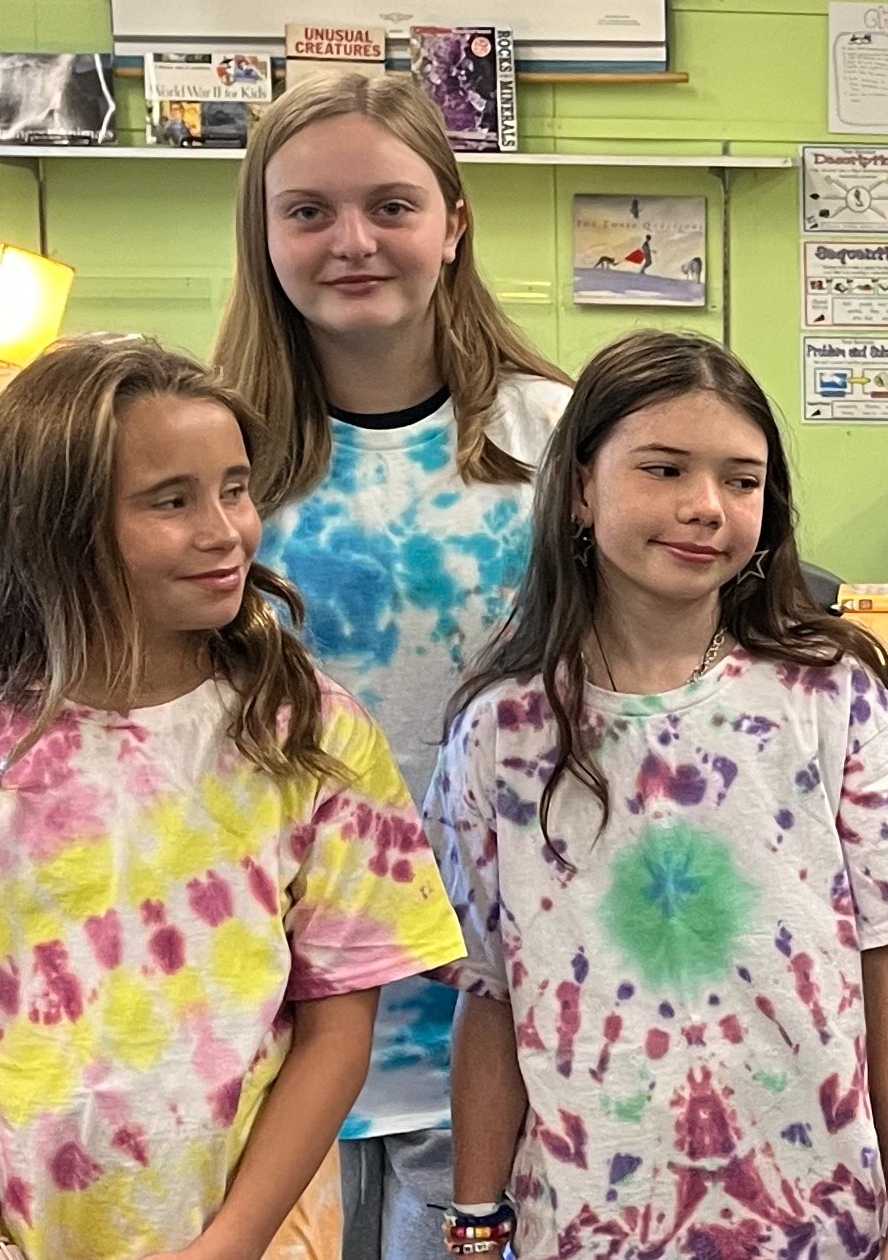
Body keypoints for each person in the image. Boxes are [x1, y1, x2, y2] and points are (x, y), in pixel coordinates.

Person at [0, 334, 467, 1260]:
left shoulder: (308, 734)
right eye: (170, 502)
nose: (224, 530)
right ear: (54, 526)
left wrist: (231, 1244)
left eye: (233, 488)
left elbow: (339, 1030)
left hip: (253, 1236)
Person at [425, 330, 888, 1259]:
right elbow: (491, 993)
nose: (705, 507)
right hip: (586, 1220)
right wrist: (476, 1224)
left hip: (814, 1214)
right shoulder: (501, 731)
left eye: (741, 480)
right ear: (582, 487)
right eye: (664, 469)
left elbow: (887, 972)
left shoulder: (832, 697)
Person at [214, 73, 578, 1259]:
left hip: (497, 1013)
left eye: (391, 205)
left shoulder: (560, 441)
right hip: (257, 1015)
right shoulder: (210, 454)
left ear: (454, 222)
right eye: (308, 211)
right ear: (262, 234)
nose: (352, 241)